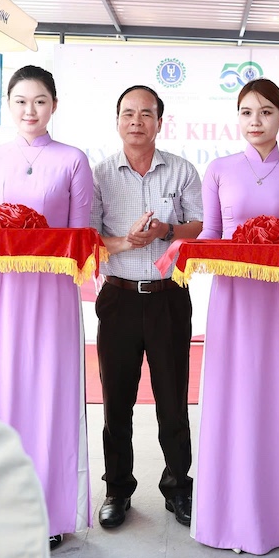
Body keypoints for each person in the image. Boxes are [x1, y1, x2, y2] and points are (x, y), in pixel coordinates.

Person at [0, 65, 95, 550]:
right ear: (7, 105)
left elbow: (80, 238)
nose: (30, 110)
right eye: (20, 101)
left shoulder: (73, 160)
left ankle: (50, 513)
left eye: (39, 101)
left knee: (48, 395)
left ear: (54, 105)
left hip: (53, 294)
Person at [193, 78, 279, 554]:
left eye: (266, 112)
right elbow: (211, 233)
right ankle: (226, 516)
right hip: (233, 298)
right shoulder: (219, 170)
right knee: (233, 395)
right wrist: (184, 248)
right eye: (246, 112)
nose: (255, 121)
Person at [89, 85, 203, 530]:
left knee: (173, 400)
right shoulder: (99, 175)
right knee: (116, 401)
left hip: (167, 298)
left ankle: (178, 487)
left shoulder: (182, 171)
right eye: (128, 113)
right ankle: (117, 490)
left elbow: (200, 226)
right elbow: (88, 237)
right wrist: (125, 241)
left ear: (159, 121)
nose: (136, 121)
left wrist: (165, 230)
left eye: (146, 113)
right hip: (118, 297)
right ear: (117, 120)